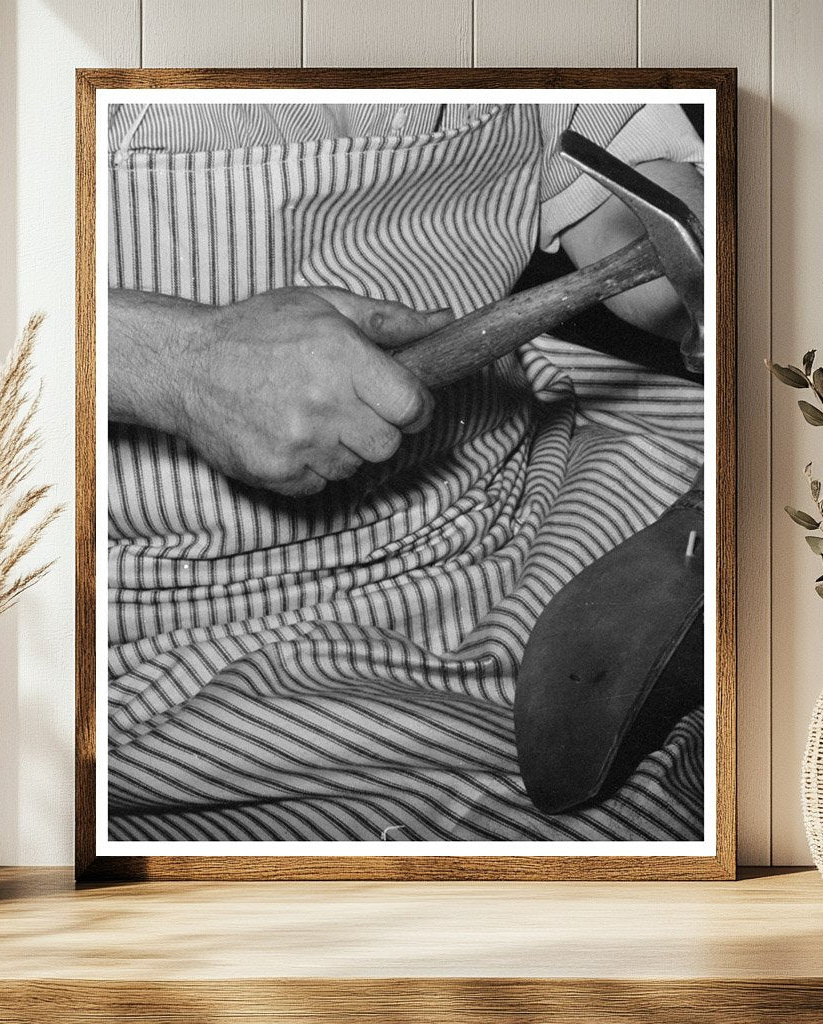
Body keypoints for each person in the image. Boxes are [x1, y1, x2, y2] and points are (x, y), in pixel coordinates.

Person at [105, 102, 706, 843]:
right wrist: (182, 360)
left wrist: (693, 248)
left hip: (511, 481)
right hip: (176, 605)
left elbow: (613, 188)